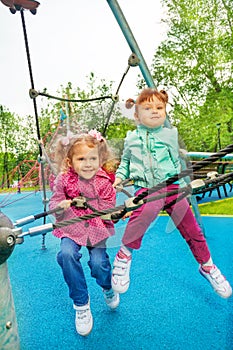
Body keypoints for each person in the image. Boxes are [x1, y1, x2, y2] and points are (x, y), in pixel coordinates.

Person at [111, 88, 232, 299]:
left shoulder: (169, 135)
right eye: (148, 108)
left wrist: (185, 185)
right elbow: (126, 163)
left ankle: (207, 266)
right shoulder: (131, 139)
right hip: (147, 188)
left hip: (173, 187)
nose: (155, 111)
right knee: (145, 211)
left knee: (192, 229)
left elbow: (176, 164)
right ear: (137, 115)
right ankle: (124, 255)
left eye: (160, 107)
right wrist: (119, 178)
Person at [49, 130, 119, 337]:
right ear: (70, 162)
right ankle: (81, 305)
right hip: (71, 227)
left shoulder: (104, 182)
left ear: (100, 159)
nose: (87, 163)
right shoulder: (63, 181)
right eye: (81, 159)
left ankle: (107, 286)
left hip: (96, 228)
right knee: (66, 255)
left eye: (92, 158)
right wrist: (59, 206)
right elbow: (54, 201)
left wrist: (109, 214)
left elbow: (109, 206)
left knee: (99, 264)